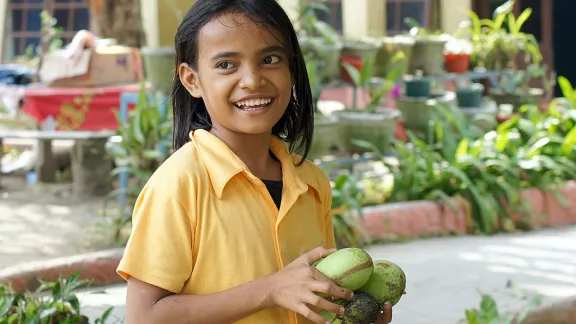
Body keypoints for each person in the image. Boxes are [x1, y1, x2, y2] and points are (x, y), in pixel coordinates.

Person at [116, 0, 396, 323]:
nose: (252, 79)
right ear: (192, 80)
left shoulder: (312, 183)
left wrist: (351, 313)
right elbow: (144, 317)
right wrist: (270, 289)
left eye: (270, 59)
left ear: (291, 68)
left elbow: (316, 296)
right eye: (226, 65)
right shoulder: (177, 187)